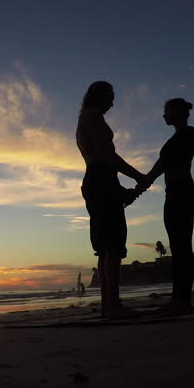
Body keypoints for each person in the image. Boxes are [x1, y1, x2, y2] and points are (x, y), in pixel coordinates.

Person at [76, 81, 143, 318]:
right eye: (110, 97)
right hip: (101, 179)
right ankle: (113, 306)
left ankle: (109, 305)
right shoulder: (92, 117)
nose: (112, 103)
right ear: (99, 97)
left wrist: (123, 188)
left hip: (99, 180)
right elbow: (107, 156)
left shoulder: (85, 117)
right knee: (113, 244)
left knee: (105, 246)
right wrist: (138, 176)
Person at [136, 98, 194, 314]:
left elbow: (164, 164)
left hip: (182, 192)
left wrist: (143, 183)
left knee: (181, 246)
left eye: (167, 111)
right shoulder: (177, 137)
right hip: (175, 192)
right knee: (179, 246)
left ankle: (181, 300)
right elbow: (161, 165)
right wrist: (143, 184)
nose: (164, 115)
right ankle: (180, 299)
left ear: (177, 112)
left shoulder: (188, 133)